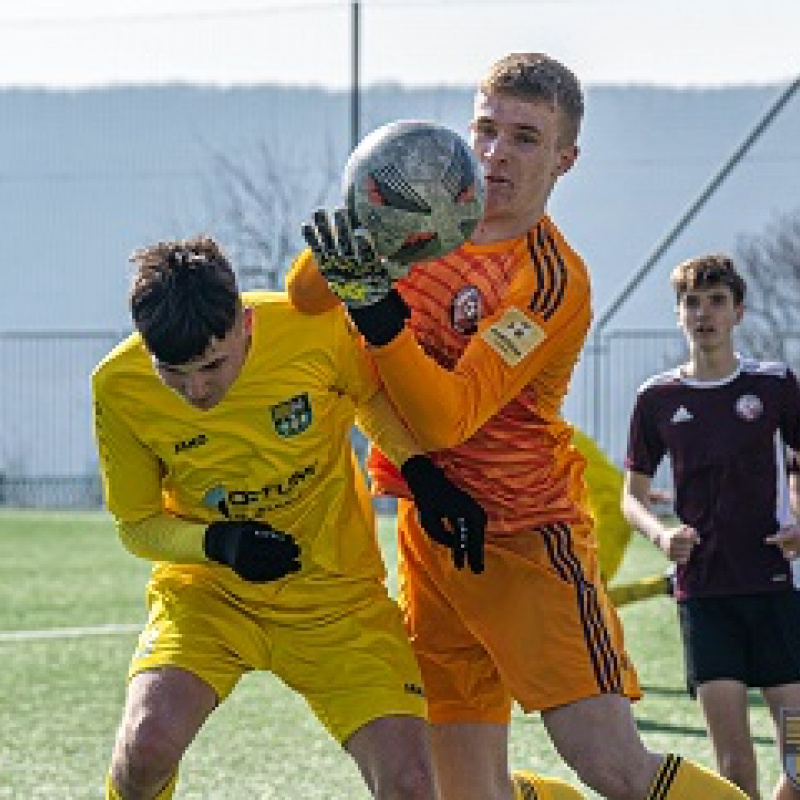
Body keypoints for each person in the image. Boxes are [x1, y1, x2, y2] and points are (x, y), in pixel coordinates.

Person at [289, 53, 748, 800]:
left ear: (566, 159)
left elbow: (445, 417)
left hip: (527, 541)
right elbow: (305, 297)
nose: (497, 153)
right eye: (486, 129)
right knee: (465, 792)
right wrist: (365, 210)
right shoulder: (419, 225)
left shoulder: (551, 280)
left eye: (526, 138)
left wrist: (379, 312)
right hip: (432, 538)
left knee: (615, 770)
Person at [92, 235, 489, 800]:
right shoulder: (117, 386)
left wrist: (423, 476)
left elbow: (368, 397)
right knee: (144, 750)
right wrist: (219, 544)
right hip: (211, 596)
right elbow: (136, 525)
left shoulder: (312, 327)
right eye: (172, 374)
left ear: (246, 324)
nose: (196, 391)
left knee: (411, 784)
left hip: (337, 597)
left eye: (211, 365)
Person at [621, 253, 800, 800]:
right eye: (691, 303)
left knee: (799, 755)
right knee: (733, 763)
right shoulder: (657, 399)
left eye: (716, 301)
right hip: (704, 593)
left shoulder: (774, 386)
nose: (704, 314)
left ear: (738, 311)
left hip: (773, 587)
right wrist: (661, 536)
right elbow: (632, 497)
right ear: (679, 315)